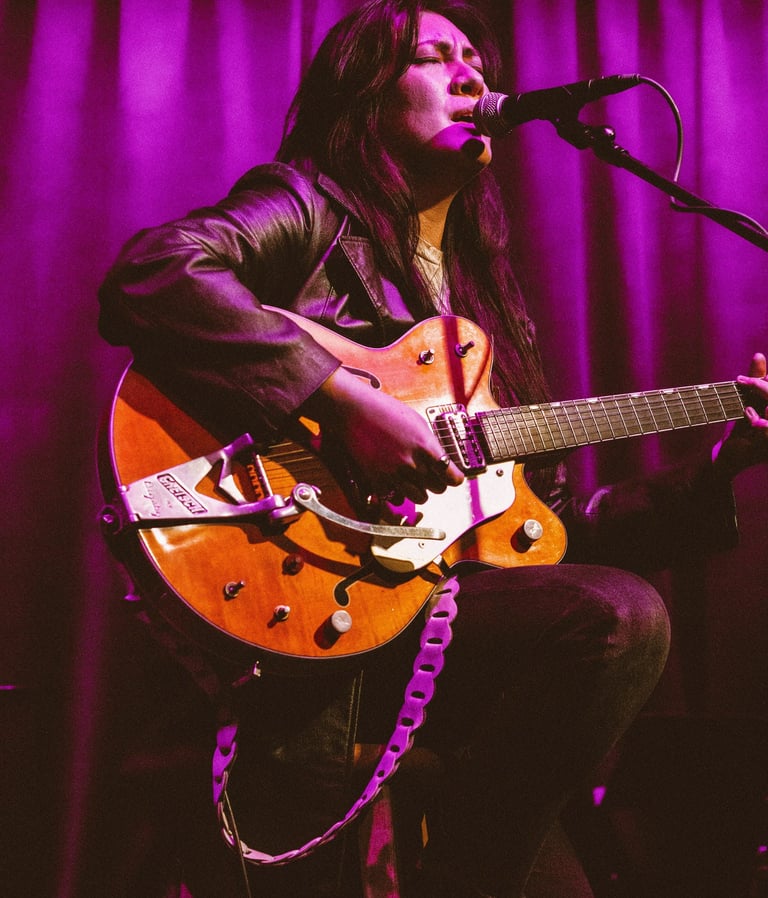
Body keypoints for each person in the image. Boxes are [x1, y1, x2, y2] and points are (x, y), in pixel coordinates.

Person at [96, 1, 768, 896]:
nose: (471, 75)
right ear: (365, 93)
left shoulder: (485, 300)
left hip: (446, 625)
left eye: (474, 59)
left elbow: (553, 534)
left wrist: (723, 463)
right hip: (306, 593)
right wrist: (337, 401)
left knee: (611, 617)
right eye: (431, 57)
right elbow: (154, 273)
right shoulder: (307, 204)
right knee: (620, 614)